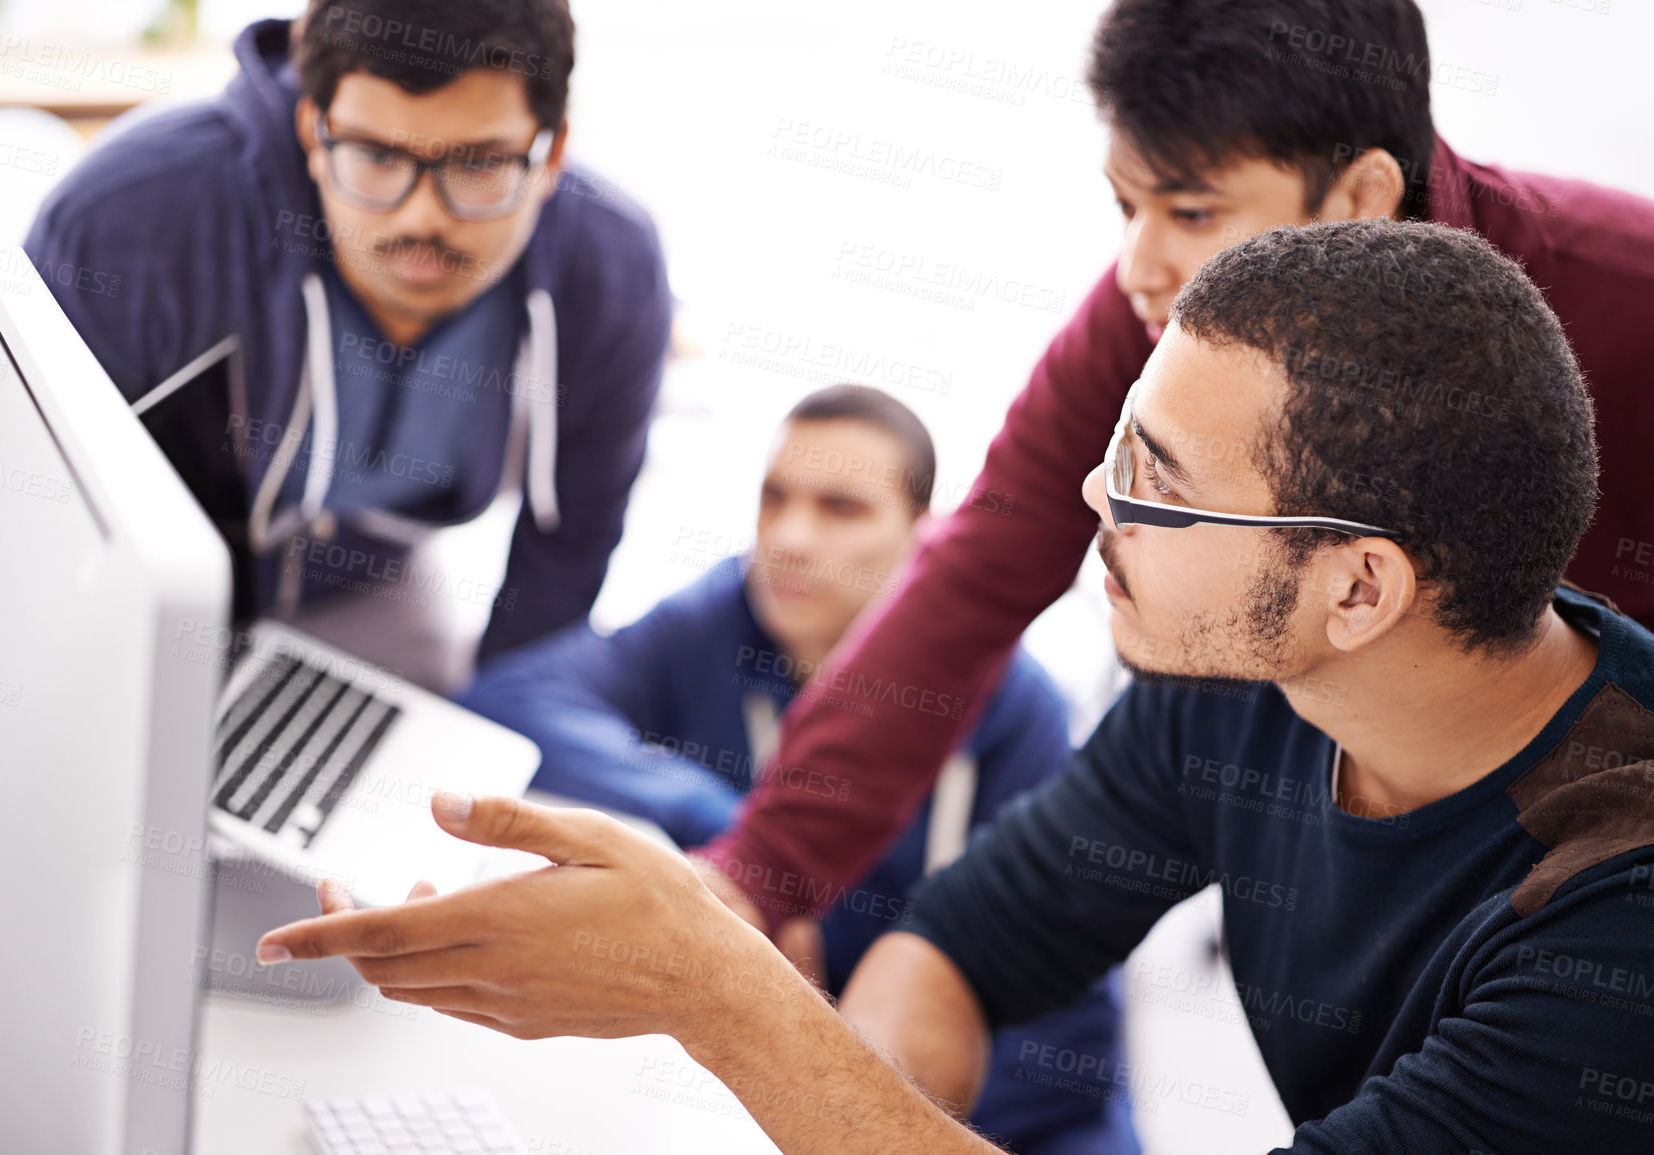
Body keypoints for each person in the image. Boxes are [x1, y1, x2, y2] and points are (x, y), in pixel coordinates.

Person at [259, 218, 1654, 1153]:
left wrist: (721, 994)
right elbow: (967, 943)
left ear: (1357, 587)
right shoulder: (1240, 677)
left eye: (1156, 488)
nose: (1092, 501)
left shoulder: (1613, 940)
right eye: (1119, 445)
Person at [692, 0, 1654, 941]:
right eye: (1125, 204)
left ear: (1360, 196)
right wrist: (754, 875)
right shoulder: (1165, 314)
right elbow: (982, 563)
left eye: (1191, 210)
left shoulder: (1628, 298)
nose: (1136, 265)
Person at [458, 384, 1137, 1154]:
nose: (789, 536)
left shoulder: (1017, 709)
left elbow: (1063, 1051)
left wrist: (827, 1060)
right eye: (773, 498)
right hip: (771, 1094)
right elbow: (515, 696)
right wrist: (737, 839)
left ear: (926, 541)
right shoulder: (729, 613)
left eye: (840, 508)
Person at [23, 0, 671, 688]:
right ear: (312, 126)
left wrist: (494, 709)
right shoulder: (130, 216)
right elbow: (34, 518)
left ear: (553, 152)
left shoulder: (613, 268)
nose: (423, 216)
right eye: (376, 154)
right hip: (150, 604)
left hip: (372, 584)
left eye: (479, 163)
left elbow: (571, 543)